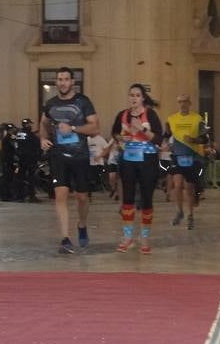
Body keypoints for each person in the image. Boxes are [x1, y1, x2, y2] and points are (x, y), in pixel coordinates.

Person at [39, 67, 99, 254]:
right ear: (56, 82)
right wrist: (42, 138)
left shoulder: (83, 102)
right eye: (59, 79)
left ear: (73, 82)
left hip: (80, 156)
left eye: (66, 79)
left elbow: (95, 128)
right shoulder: (50, 104)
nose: (63, 82)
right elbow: (43, 123)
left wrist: (73, 128)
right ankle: (65, 238)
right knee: (60, 196)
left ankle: (82, 225)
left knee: (82, 197)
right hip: (58, 156)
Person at [111, 84, 160, 253]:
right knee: (128, 197)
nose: (134, 98)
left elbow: (158, 138)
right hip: (128, 159)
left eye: (137, 95)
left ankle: (145, 238)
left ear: (143, 98)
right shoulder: (122, 115)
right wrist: (121, 139)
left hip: (147, 159)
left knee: (147, 197)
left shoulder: (150, 115)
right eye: (131, 95)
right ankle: (127, 237)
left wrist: (142, 129)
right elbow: (115, 132)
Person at [166, 94, 206, 230]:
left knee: (189, 187)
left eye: (185, 102)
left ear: (190, 103)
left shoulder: (197, 119)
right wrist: (166, 144)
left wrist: (194, 140)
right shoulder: (171, 119)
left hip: (192, 156)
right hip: (177, 156)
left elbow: (205, 138)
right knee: (176, 185)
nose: (182, 104)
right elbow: (165, 136)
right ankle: (179, 211)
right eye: (180, 102)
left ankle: (190, 215)